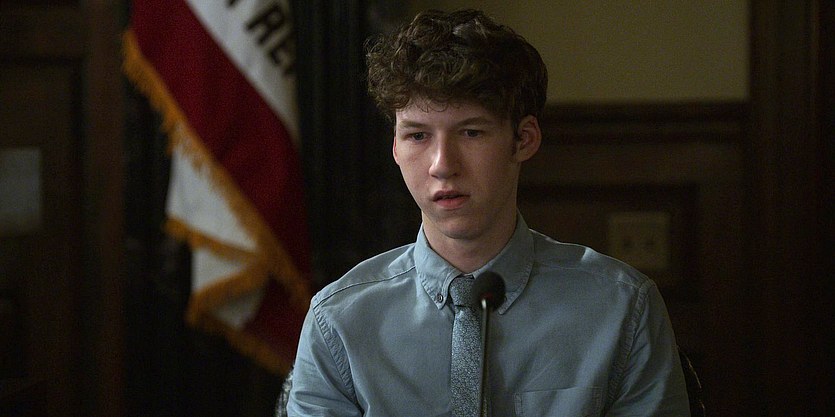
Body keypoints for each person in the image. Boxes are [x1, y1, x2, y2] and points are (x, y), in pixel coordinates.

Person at [287, 8, 690, 416]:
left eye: (471, 132)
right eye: (418, 135)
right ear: (395, 147)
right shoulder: (338, 322)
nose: (442, 165)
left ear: (524, 139)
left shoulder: (621, 308)